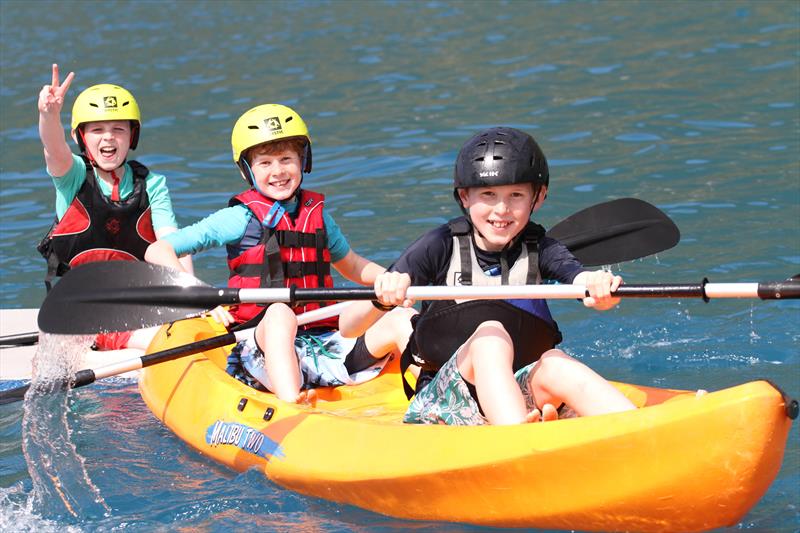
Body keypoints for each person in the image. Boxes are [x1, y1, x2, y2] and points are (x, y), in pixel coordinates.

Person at [339, 127, 636, 425]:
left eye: (516, 195)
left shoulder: (542, 249)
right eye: (489, 194)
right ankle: (517, 439)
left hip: (517, 387)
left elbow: (581, 282)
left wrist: (598, 287)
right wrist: (382, 298)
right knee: (490, 336)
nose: (502, 209)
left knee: (557, 363)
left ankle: (637, 430)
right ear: (465, 196)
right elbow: (348, 327)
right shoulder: (438, 245)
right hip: (447, 400)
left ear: (539, 197)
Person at [145, 103, 413, 403]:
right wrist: (199, 297)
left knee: (399, 315)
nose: (278, 171)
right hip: (261, 348)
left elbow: (351, 265)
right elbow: (159, 250)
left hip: (325, 345)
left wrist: (390, 280)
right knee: (280, 313)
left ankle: (433, 394)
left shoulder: (318, 216)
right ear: (247, 170)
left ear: (303, 161)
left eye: (286, 159)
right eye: (265, 163)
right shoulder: (239, 218)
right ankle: (292, 407)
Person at [37, 64, 192, 350]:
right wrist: (49, 115)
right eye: (97, 130)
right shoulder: (73, 177)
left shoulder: (153, 184)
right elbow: (54, 148)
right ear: (81, 138)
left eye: (118, 129)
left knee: (187, 330)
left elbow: (174, 244)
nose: (108, 137)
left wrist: (191, 297)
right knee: (160, 341)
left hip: (138, 302)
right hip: (85, 307)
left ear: (132, 136)